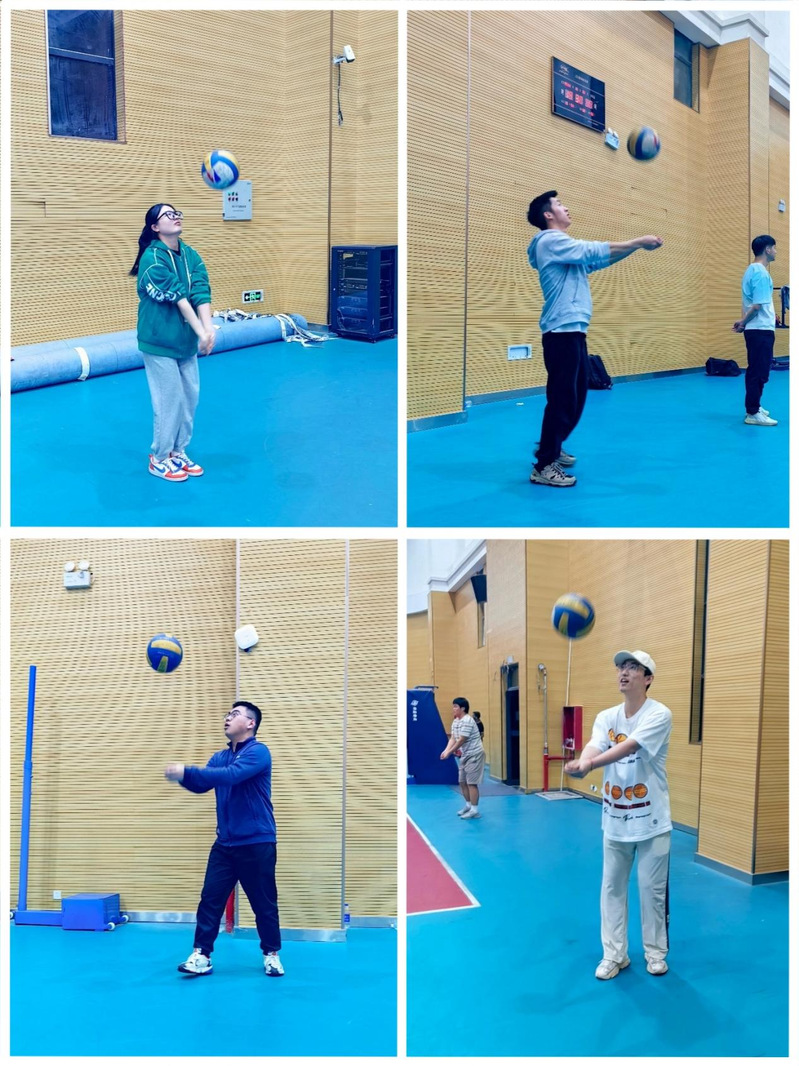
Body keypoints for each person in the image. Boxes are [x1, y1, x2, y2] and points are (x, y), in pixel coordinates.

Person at [526, 191, 664, 487]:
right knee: (563, 398)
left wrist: (635, 249)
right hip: (561, 331)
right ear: (548, 215)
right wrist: (637, 241)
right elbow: (591, 250)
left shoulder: (564, 250)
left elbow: (598, 260)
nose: (566, 207)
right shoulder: (550, 240)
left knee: (575, 396)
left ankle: (551, 445)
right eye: (559, 205)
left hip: (572, 330)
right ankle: (544, 465)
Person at [564, 651, 672, 980]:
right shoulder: (607, 716)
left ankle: (655, 953)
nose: (624, 673)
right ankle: (614, 955)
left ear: (648, 678)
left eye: (633, 668)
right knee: (611, 889)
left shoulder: (659, 714)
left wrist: (590, 765)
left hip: (652, 820)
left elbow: (631, 746)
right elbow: (596, 745)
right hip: (614, 819)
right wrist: (584, 759)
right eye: (621, 667)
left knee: (651, 891)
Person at [164, 700, 284, 978]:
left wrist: (187, 771)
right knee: (210, 899)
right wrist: (183, 777)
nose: (228, 718)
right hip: (225, 845)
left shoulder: (259, 752)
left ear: (251, 723)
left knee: (263, 904)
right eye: (228, 714)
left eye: (235, 714)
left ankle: (271, 954)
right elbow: (203, 784)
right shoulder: (220, 757)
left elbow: (232, 776)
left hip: (257, 843)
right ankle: (201, 955)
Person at [130, 204, 216, 482]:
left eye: (177, 212)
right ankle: (159, 457)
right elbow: (178, 296)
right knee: (170, 401)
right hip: (159, 342)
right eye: (168, 214)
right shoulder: (152, 258)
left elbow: (200, 290)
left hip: (184, 342)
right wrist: (201, 331)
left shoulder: (190, 254)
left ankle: (178, 451)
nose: (175, 216)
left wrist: (208, 328)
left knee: (189, 400)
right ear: (155, 227)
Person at [732, 235, 778, 426]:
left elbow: (752, 303)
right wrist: (743, 322)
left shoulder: (751, 270)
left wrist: (744, 322)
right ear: (767, 249)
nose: (775, 251)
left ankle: (754, 406)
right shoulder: (760, 273)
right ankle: (752, 412)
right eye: (774, 248)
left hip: (757, 328)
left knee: (758, 370)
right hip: (760, 330)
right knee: (759, 372)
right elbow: (757, 306)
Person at [440, 697, 485, 819]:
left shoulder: (468, 721)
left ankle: (475, 810)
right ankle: (468, 806)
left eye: (455, 706)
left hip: (475, 754)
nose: (453, 709)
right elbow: (453, 738)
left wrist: (449, 753)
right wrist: (445, 750)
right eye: (453, 706)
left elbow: (461, 740)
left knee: (471, 783)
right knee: (462, 781)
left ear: (463, 708)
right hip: (465, 755)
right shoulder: (456, 721)